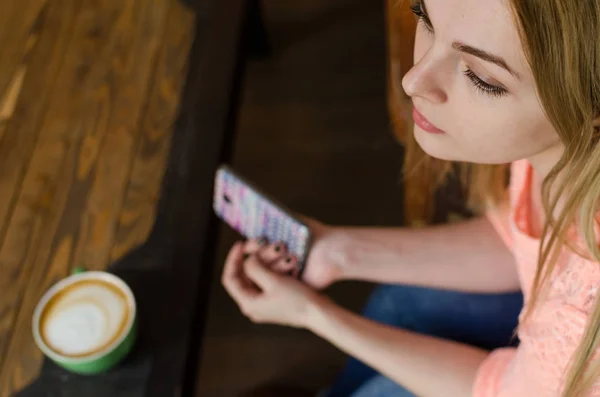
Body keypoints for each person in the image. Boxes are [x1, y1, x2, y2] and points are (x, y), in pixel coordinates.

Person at [221, 0, 600, 396]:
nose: (413, 81)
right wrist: (336, 250)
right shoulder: (564, 144)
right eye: (424, 17)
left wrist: (311, 313)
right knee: (399, 304)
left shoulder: (586, 311)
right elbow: (522, 235)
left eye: (482, 78)